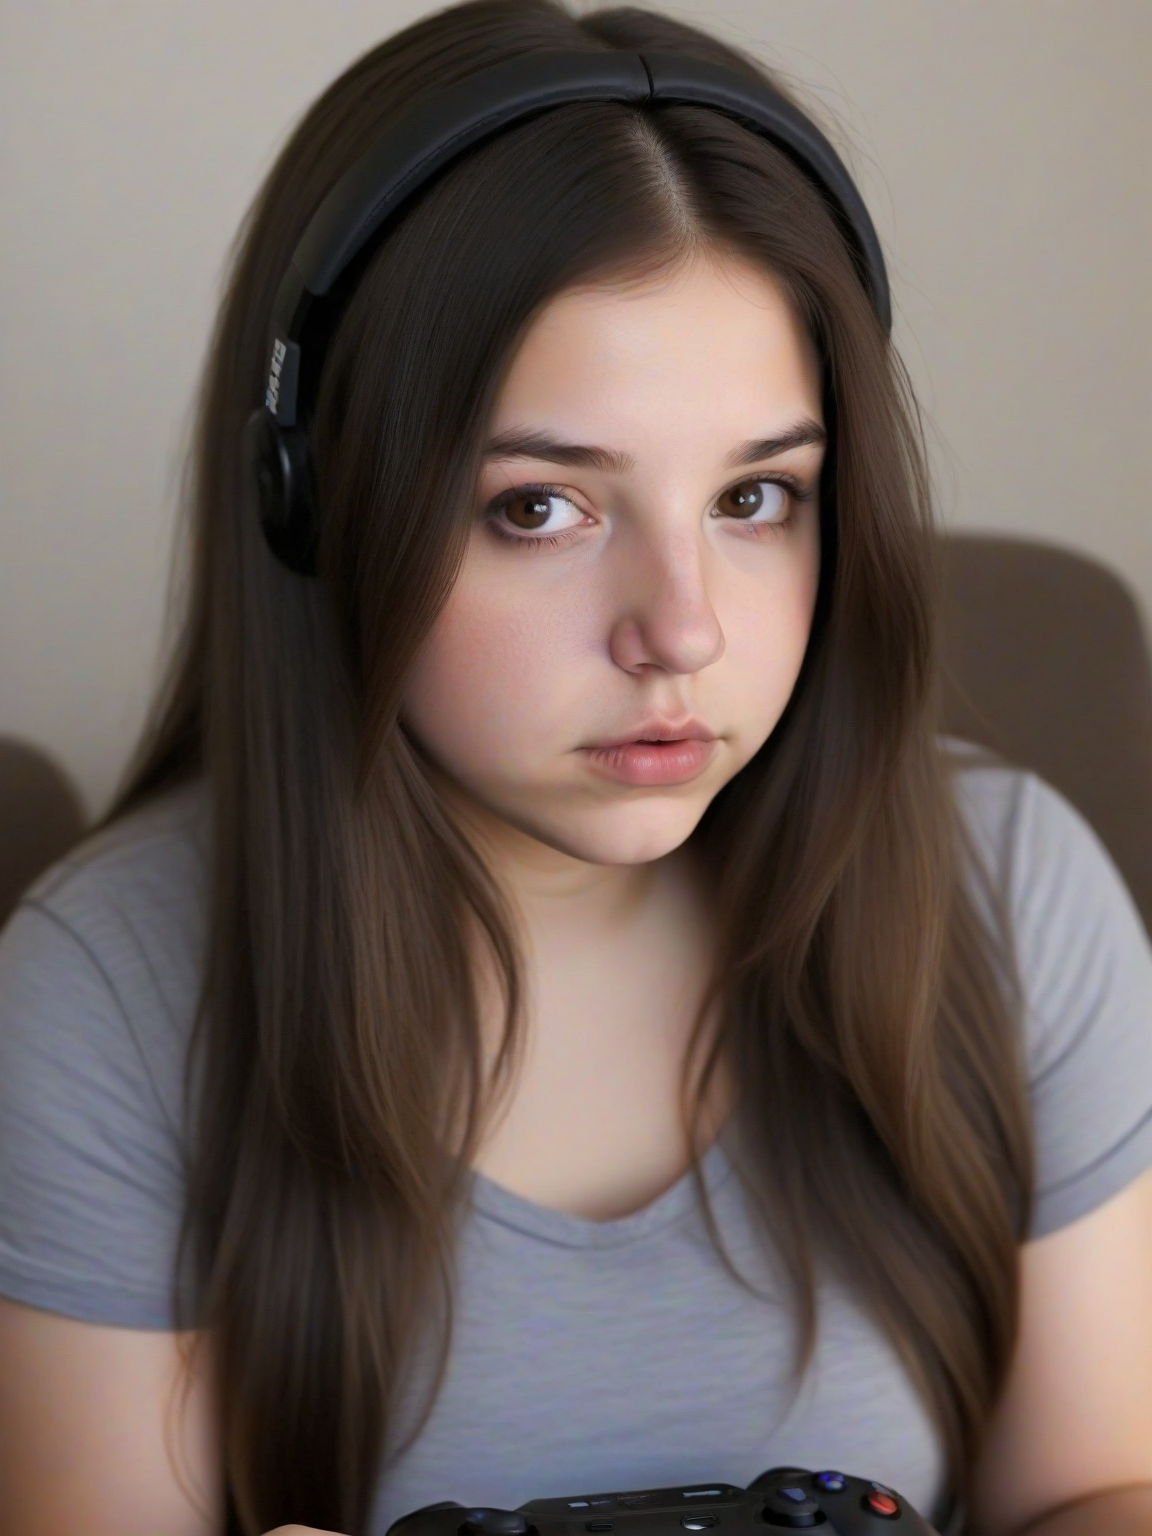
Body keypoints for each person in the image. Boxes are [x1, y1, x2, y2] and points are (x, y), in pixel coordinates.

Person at [3, 2, 1152, 1533]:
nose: (682, 630)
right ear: (311, 504)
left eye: (756, 496)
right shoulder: (107, 991)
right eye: (539, 508)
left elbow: (1096, 1486)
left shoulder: (1006, 889)